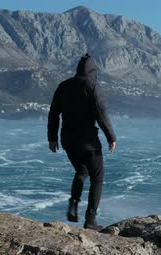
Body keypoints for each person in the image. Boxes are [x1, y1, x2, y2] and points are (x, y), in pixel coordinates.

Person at [47, 53, 116, 229]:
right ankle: (90, 221)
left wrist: (52, 138)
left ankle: (73, 203)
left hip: (68, 141)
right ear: (93, 71)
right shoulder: (93, 85)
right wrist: (111, 137)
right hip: (88, 142)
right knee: (97, 178)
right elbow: (101, 114)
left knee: (82, 170)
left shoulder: (63, 86)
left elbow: (53, 113)